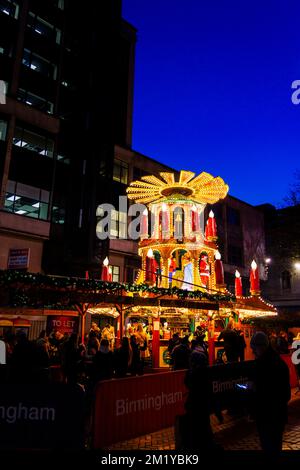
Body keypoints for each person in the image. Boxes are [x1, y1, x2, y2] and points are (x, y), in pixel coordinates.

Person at [250, 331, 291, 455]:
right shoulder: (279, 363)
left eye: (254, 349)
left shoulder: (261, 365)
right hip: (278, 414)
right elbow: (286, 394)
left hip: (266, 415)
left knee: (268, 445)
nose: (253, 353)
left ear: (260, 347)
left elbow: (261, 391)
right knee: (275, 444)